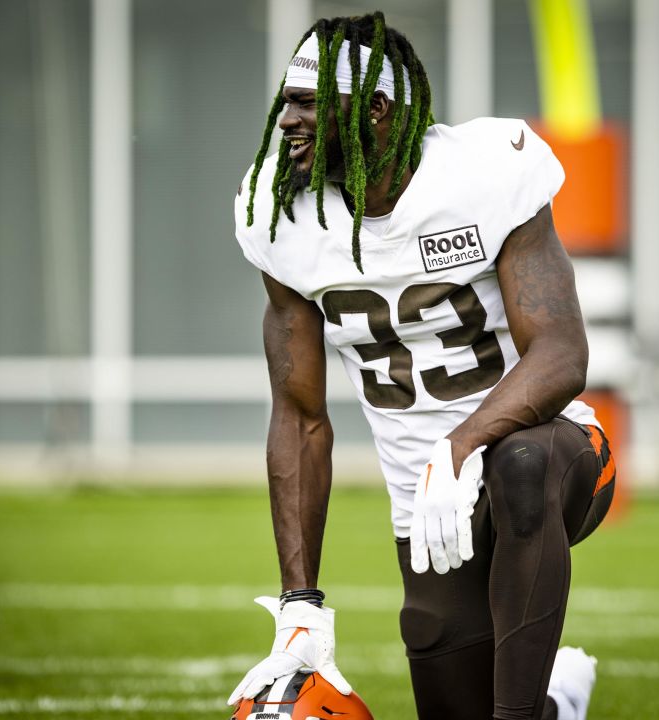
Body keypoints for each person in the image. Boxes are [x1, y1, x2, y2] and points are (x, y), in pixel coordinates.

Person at [227, 12, 616, 720]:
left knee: (519, 465)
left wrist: (460, 445)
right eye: (287, 101)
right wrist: (299, 606)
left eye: (307, 103)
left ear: (376, 109)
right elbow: (301, 418)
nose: (286, 120)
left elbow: (562, 355)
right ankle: (558, 697)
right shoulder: (281, 212)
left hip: (555, 454)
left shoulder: (483, 171)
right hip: (429, 513)